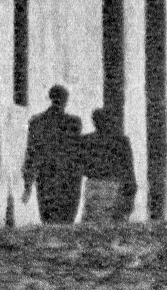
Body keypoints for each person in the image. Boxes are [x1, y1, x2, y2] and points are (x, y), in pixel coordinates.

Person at [20, 85, 85, 225]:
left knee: (48, 219)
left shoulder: (37, 121)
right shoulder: (74, 123)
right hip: (68, 178)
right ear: (65, 100)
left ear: (50, 98)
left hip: (47, 178)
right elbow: (78, 152)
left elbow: (31, 153)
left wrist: (28, 184)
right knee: (66, 220)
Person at [76, 106, 138, 223]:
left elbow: (80, 165)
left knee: (93, 221)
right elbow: (128, 168)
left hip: (94, 184)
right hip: (112, 184)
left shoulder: (86, 140)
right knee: (111, 221)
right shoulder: (121, 141)